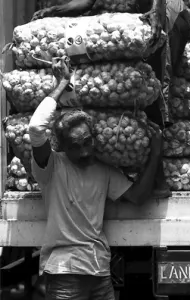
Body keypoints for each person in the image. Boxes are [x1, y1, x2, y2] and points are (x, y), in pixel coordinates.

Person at [29, 57, 163, 300]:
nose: (84, 152)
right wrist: (62, 83)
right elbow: (37, 128)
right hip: (65, 272)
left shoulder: (103, 170)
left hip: (99, 270)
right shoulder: (51, 166)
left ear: (94, 137)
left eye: (87, 142)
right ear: (61, 147)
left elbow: (139, 197)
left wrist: (155, 154)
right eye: (75, 146)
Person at [31, 0, 190, 197]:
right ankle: (131, 170)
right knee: (129, 84)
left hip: (166, 10)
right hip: (136, 17)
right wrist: (52, 11)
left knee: (153, 83)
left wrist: (157, 10)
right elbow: (87, 2)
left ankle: (158, 175)